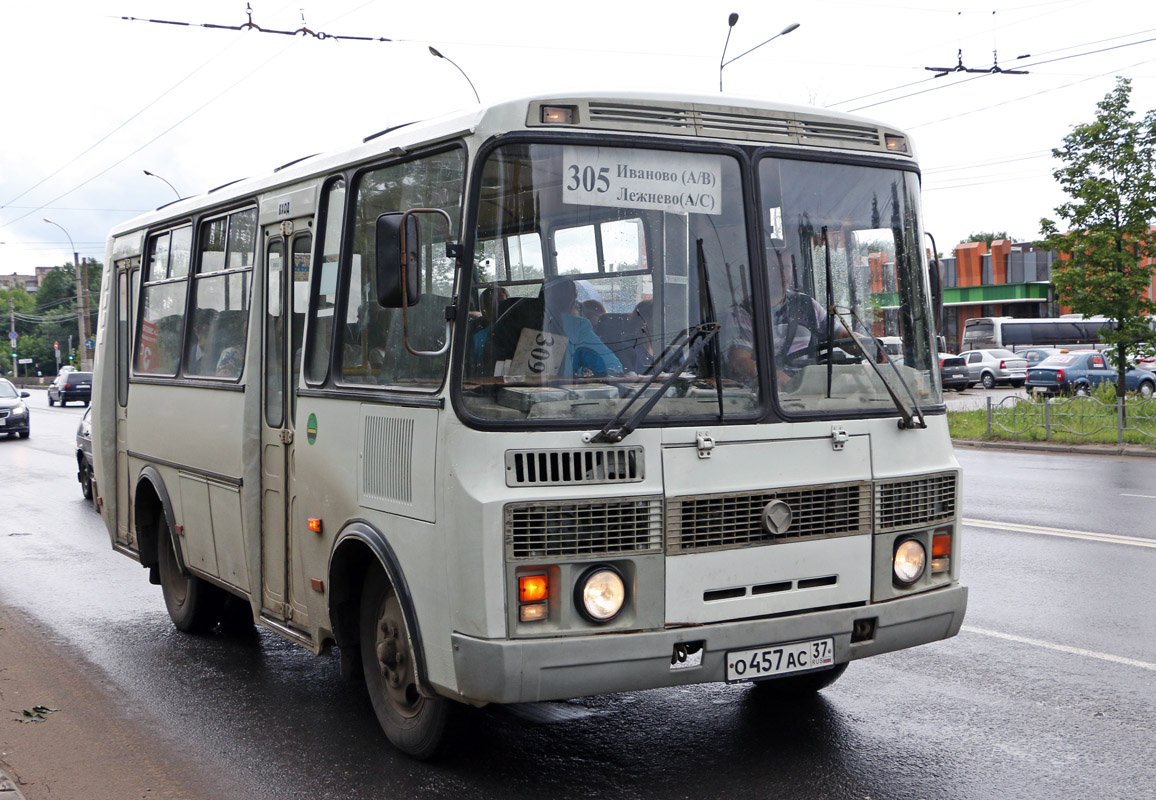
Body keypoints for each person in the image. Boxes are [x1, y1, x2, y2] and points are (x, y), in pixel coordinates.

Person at [543, 279, 623, 377]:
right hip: (562, 390)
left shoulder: (526, 321)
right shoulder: (577, 326)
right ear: (572, 302)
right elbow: (614, 368)